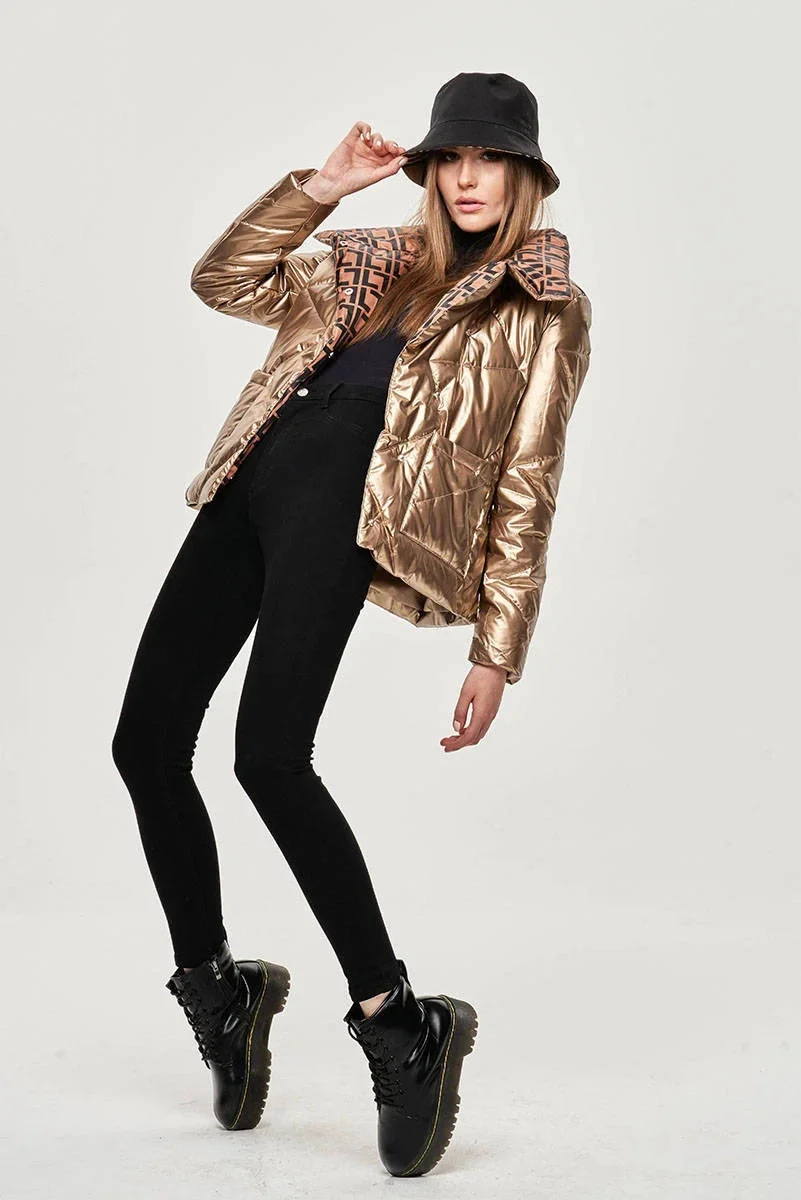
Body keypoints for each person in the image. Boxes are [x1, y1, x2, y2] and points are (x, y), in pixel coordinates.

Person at [111, 71, 592, 1178]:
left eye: (490, 159)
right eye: (450, 157)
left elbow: (531, 478)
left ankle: (397, 1020)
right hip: (250, 486)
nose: (467, 177)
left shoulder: (544, 308)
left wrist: (498, 648)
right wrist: (319, 189)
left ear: (524, 176)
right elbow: (221, 280)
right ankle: (219, 991)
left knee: (270, 759)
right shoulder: (367, 257)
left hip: (347, 513)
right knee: (145, 744)